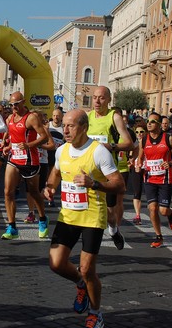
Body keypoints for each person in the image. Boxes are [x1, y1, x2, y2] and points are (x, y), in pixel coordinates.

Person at [44, 109, 125, 328]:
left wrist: (94, 184)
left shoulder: (99, 152)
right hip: (68, 215)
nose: (66, 130)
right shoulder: (62, 150)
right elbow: (56, 172)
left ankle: (96, 313)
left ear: (84, 127)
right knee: (56, 263)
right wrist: (50, 187)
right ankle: (80, 284)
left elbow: (120, 185)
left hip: (91, 216)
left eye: (71, 126)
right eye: (65, 126)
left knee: (88, 269)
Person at [86, 86, 133, 249]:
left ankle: (113, 231)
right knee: (89, 209)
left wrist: (109, 146)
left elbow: (128, 144)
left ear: (108, 100)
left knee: (110, 213)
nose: (97, 101)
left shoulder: (115, 117)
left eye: (101, 98)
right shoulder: (87, 117)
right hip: (89, 171)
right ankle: (90, 244)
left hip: (108, 171)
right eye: (94, 97)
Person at [1, 91, 49, 240]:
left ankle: (42, 219)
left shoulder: (31, 118)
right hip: (14, 158)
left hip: (29, 160)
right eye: (11, 105)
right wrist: (8, 146)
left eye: (16, 104)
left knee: (34, 192)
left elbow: (44, 137)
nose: (13, 107)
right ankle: (12, 227)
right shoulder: (10, 118)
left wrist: (29, 145)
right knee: (8, 191)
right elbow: (12, 136)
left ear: (23, 102)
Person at [136, 112, 172, 248]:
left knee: (162, 210)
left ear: (159, 125)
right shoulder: (144, 140)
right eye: (148, 121)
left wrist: (171, 163)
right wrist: (139, 165)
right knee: (152, 208)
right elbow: (140, 158)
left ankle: (170, 214)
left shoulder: (168, 139)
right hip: (149, 178)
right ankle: (158, 236)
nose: (149, 124)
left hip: (164, 179)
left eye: (153, 122)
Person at [129, 121, 147, 224]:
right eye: (137, 132)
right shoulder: (134, 143)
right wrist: (131, 161)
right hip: (136, 168)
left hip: (148, 169)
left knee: (149, 192)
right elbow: (131, 156)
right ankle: (138, 215)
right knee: (137, 192)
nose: (139, 134)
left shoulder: (149, 142)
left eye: (141, 131)